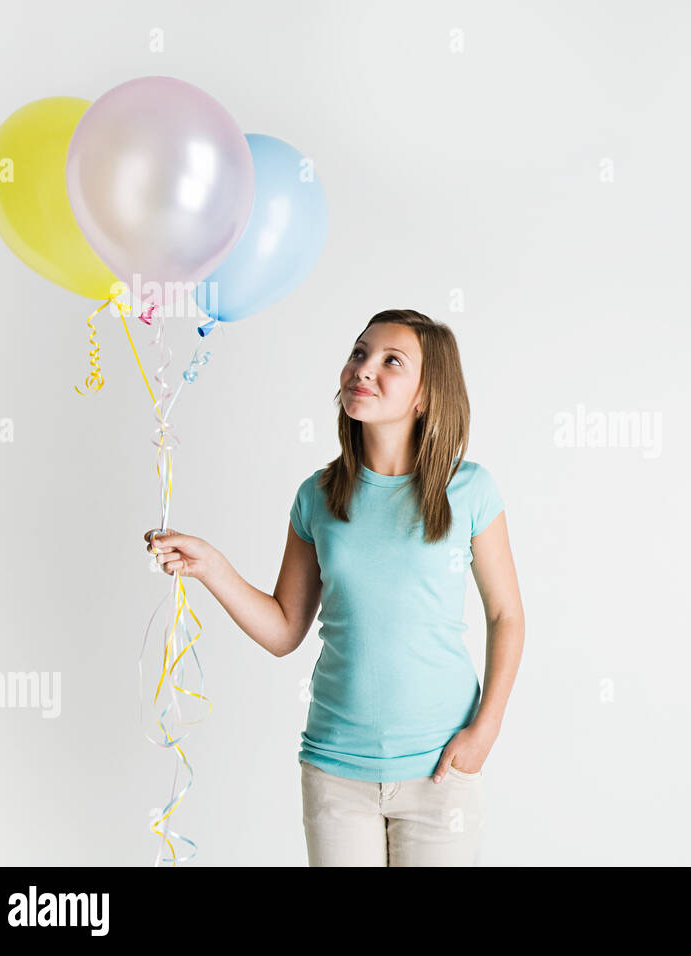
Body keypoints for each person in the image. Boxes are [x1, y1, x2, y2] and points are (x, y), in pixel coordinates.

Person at [141, 309, 525, 866]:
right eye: (359, 353)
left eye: (391, 361)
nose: (363, 369)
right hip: (335, 771)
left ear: (425, 395)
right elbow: (283, 630)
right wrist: (212, 567)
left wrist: (484, 732)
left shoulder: (469, 490)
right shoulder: (317, 495)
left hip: (442, 767)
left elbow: (506, 615)